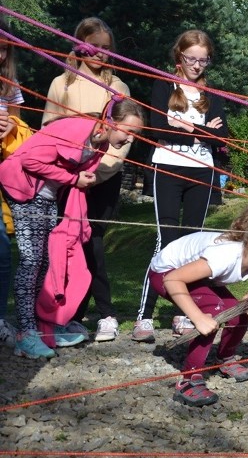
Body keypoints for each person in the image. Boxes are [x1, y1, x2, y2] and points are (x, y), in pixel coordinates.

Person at [0, 102, 144, 359]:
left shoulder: (100, 145)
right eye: (128, 131)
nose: (130, 138)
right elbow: (29, 159)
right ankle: (26, 335)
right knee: (31, 262)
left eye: (136, 135)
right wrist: (73, 179)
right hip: (22, 190)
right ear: (110, 121)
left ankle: (42, 327)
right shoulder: (77, 130)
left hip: (46, 195)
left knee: (45, 263)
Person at [133, 29, 230, 343]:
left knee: (193, 244)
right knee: (167, 240)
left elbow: (222, 136)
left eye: (203, 60)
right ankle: (144, 316)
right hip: (168, 168)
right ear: (179, 56)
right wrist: (201, 129)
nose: (197, 65)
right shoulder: (164, 85)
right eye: (192, 58)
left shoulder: (210, 94)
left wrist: (182, 126)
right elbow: (156, 127)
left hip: (202, 171)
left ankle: (183, 312)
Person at [146, 205, 248, 406]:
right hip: (167, 273)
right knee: (213, 311)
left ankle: (224, 359)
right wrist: (198, 318)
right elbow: (172, 280)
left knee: (239, 316)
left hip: (196, 276)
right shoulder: (225, 256)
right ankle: (189, 379)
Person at [42, 17, 132, 343]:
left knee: (91, 240)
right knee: (69, 244)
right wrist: (69, 173)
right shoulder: (60, 85)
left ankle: (105, 313)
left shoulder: (119, 87)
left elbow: (124, 137)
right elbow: (49, 130)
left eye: (107, 49)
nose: (100, 54)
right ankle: (73, 315)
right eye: (94, 46)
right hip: (68, 177)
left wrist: (99, 172)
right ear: (79, 44)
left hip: (103, 178)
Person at [0, 21, 26, 348]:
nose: (0, 53)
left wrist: (9, 128)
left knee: (3, 251)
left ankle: (0, 319)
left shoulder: (10, 84)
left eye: (4, 47)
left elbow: (20, 125)